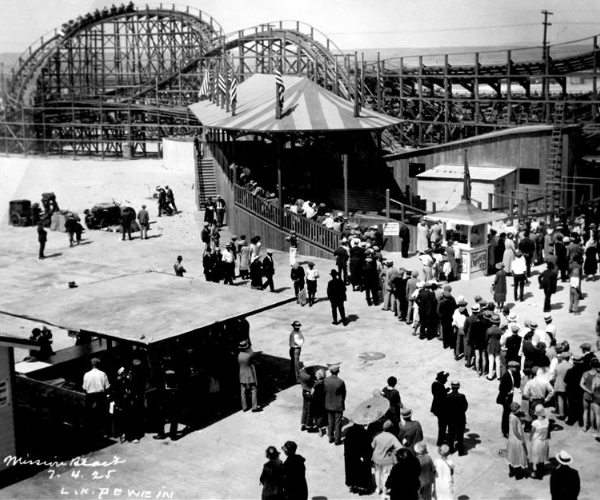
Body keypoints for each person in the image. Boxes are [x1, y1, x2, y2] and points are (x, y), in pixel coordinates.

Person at [82, 358, 110, 444]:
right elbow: (107, 386)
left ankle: (93, 435)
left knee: (91, 417)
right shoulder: (102, 374)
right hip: (100, 396)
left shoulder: (86, 375)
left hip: (90, 397)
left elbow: (84, 387)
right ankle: (102, 435)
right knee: (101, 416)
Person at [371, 420, 402, 496]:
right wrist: (392, 451)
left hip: (377, 459)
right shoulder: (392, 437)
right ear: (391, 428)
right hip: (387, 460)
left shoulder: (377, 436)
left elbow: (372, 446)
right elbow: (400, 448)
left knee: (377, 473)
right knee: (386, 475)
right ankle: (385, 490)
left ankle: (378, 488)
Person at [344, 423, 373, 495]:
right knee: (362, 471)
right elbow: (368, 446)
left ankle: (353, 485)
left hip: (351, 456)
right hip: (362, 456)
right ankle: (363, 487)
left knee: (352, 471)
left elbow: (346, 444)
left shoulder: (349, 431)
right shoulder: (365, 433)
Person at [153, 368, 181, 441]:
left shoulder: (162, 369)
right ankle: (172, 435)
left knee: (164, 414)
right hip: (170, 392)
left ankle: (164, 434)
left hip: (169, 393)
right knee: (171, 415)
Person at [498, 361, 521, 438]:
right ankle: (505, 430)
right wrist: (506, 396)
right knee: (506, 413)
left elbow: (517, 384)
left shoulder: (512, 374)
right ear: (511, 367)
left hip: (510, 395)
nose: (516, 369)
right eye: (515, 367)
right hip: (507, 396)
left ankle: (505, 429)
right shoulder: (506, 375)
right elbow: (501, 388)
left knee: (507, 412)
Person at [324, 363, 346, 445]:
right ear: (337, 372)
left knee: (330, 422)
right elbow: (343, 394)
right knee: (338, 423)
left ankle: (330, 437)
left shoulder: (326, 380)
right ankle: (337, 440)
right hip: (338, 405)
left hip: (328, 404)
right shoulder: (340, 382)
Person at [506, 402, 528, 479]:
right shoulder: (514, 418)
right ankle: (518, 474)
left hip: (511, 438)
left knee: (511, 455)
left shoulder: (511, 415)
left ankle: (511, 472)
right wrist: (521, 438)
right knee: (517, 456)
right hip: (516, 439)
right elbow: (515, 430)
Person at [446, 380, 468, 456]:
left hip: (451, 419)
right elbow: (465, 407)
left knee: (451, 435)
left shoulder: (447, 396)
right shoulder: (462, 396)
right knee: (460, 436)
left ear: (451, 387)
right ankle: (461, 451)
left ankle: (451, 450)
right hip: (460, 418)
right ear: (458, 387)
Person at [238, 340, 261, 412]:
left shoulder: (239, 355)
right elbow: (252, 356)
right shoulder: (248, 355)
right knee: (253, 390)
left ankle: (244, 407)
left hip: (242, 374)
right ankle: (254, 407)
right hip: (249, 374)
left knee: (243, 391)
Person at [530, 405, 550, 479]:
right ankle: (542, 470)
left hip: (537, 442)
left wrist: (530, 438)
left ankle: (537, 473)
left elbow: (532, 432)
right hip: (544, 441)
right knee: (542, 457)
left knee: (536, 458)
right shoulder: (547, 421)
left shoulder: (535, 423)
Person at [431, 371, 449, 446]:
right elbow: (441, 398)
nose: (446, 380)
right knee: (442, 426)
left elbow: (437, 394)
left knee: (442, 425)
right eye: (445, 379)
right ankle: (440, 441)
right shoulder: (440, 386)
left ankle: (443, 436)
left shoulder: (434, 384)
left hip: (436, 408)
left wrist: (445, 391)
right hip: (441, 410)